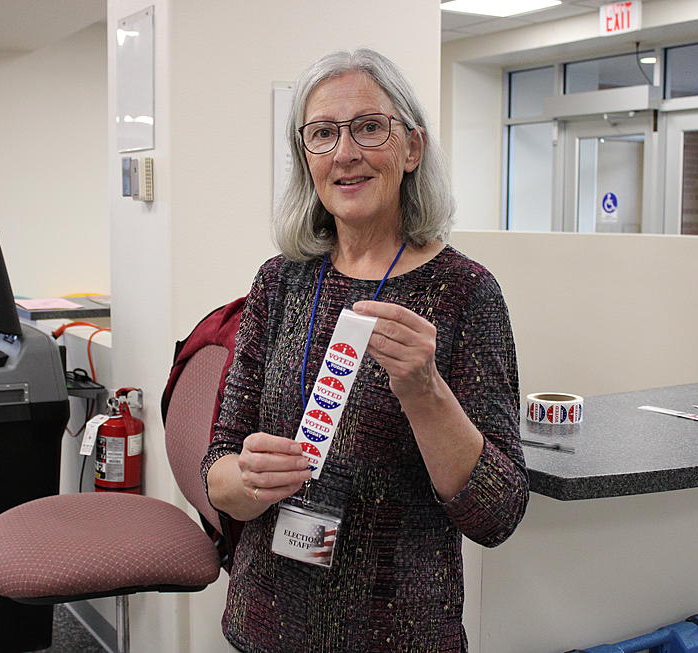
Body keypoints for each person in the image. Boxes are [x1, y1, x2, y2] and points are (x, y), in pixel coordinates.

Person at [202, 48, 528, 653]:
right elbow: (217, 471)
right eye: (323, 134)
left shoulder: (466, 292)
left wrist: (425, 391)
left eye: (369, 127)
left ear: (411, 149)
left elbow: (497, 513)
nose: (345, 152)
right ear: (307, 160)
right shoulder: (280, 281)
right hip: (268, 622)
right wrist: (246, 478)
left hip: (398, 631)